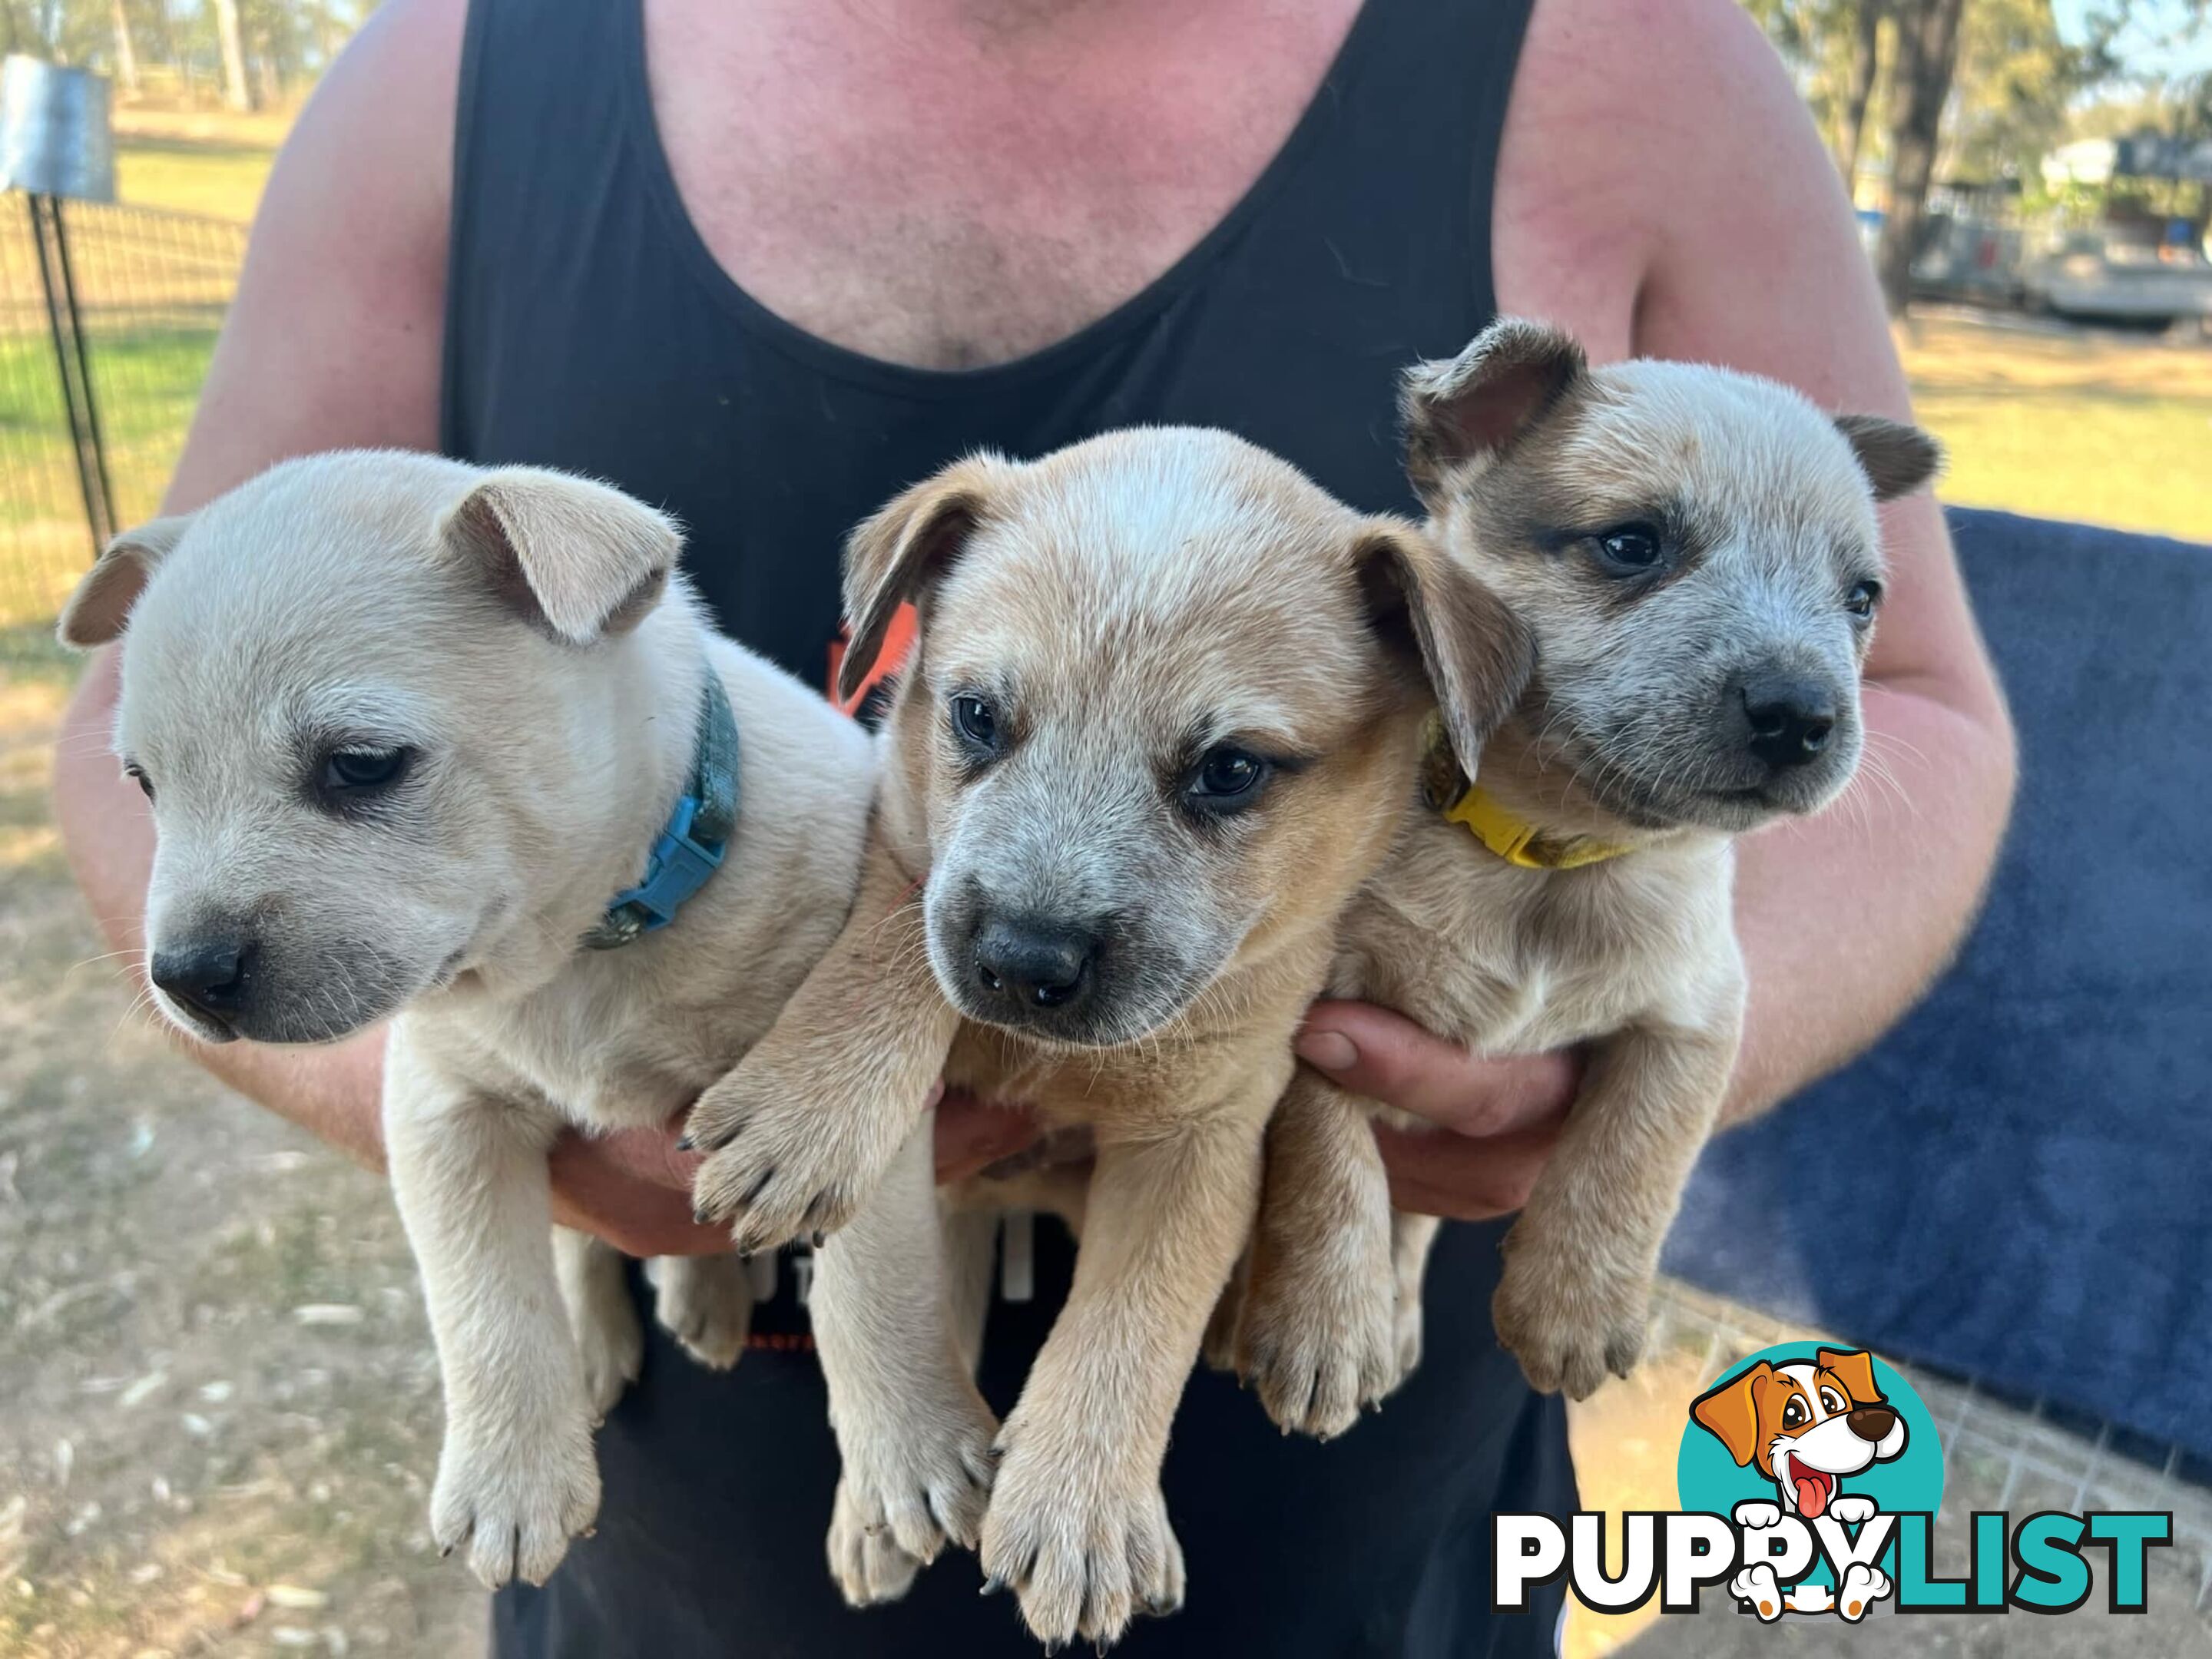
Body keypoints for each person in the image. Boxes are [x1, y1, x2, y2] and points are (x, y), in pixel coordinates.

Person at [53, 0, 2016, 1651]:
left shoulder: (1645, 61)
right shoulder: (445, 69)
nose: (1041, 905)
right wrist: (528, 1114)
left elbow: (1906, 704)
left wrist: (1573, 1097)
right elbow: (163, 705)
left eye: (1226, 771)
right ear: (895, 625)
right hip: (674, 1512)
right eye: (970, 720)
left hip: (1346, 1542)